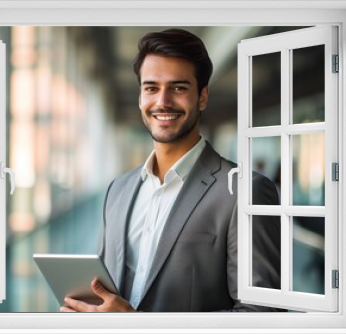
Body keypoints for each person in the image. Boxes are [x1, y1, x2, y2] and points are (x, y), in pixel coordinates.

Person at [61, 28, 281, 312]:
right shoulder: (118, 190)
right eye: (151, 88)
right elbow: (106, 293)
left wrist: (137, 327)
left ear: (202, 98)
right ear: (140, 97)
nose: (162, 101)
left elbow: (264, 316)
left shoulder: (244, 191)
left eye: (178, 88)